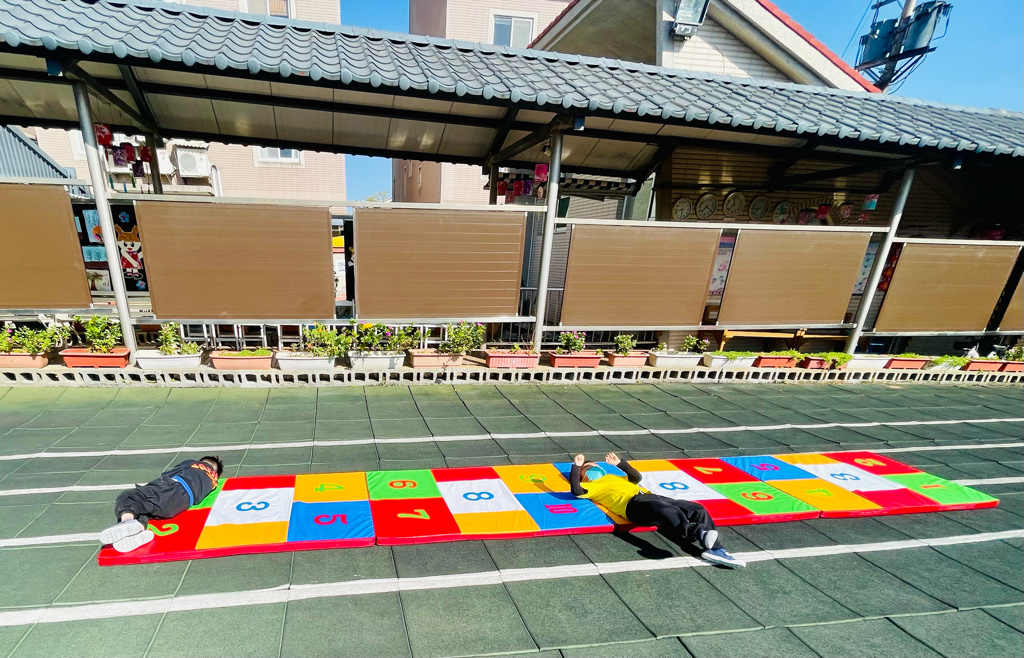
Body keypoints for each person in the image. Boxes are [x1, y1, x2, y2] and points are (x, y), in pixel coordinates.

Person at [569, 452, 745, 568]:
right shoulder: (591, 485)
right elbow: (576, 490)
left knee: (697, 508)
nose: (594, 468)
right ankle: (697, 533)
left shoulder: (614, 476)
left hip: (649, 496)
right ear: (583, 475)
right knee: (665, 510)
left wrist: (621, 464)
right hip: (632, 505)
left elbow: (636, 477)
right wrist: (576, 467)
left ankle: (716, 549)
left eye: (595, 466)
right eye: (588, 468)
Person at [98, 456, 225, 553]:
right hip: (181, 505)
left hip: (173, 488)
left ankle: (127, 522)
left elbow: (168, 474)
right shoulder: (213, 483)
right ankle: (138, 531)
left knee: (129, 497)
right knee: (144, 509)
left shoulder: (193, 463)